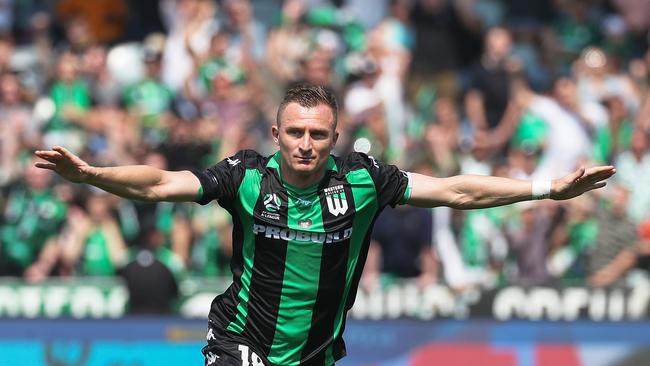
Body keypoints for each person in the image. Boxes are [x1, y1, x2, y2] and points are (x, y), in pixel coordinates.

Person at [34, 84, 615, 366]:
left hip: (316, 355)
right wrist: (92, 176)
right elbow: (162, 183)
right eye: (295, 133)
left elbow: (457, 189)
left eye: (318, 134)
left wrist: (549, 188)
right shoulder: (246, 178)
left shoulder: (364, 181)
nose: (306, 144)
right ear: (276, 135)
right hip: (240, 343)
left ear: (334, 140)